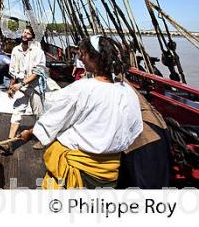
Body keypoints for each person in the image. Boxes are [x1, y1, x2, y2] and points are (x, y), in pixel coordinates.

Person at [19, 35, 143, 189]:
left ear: (94, 57)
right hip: (110, 174)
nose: (81, 59)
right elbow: (134, 129)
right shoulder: (127, 92)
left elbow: (53, 120)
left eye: (83, 55)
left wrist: (31, 132)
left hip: (79, 169)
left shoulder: (82, 89)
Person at [1, 26, 47, 152]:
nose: (25, 35)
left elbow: (37, 72)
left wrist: (20, 85)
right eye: (24, 32)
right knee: (16, 112)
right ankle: (9, 143)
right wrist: (11, 87)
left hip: (35, 87)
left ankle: (42, 140)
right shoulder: (16, 50)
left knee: (39, 114)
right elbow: (13, 71)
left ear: (32, 37)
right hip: (21, 86)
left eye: (28, 33)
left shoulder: (38, 52)